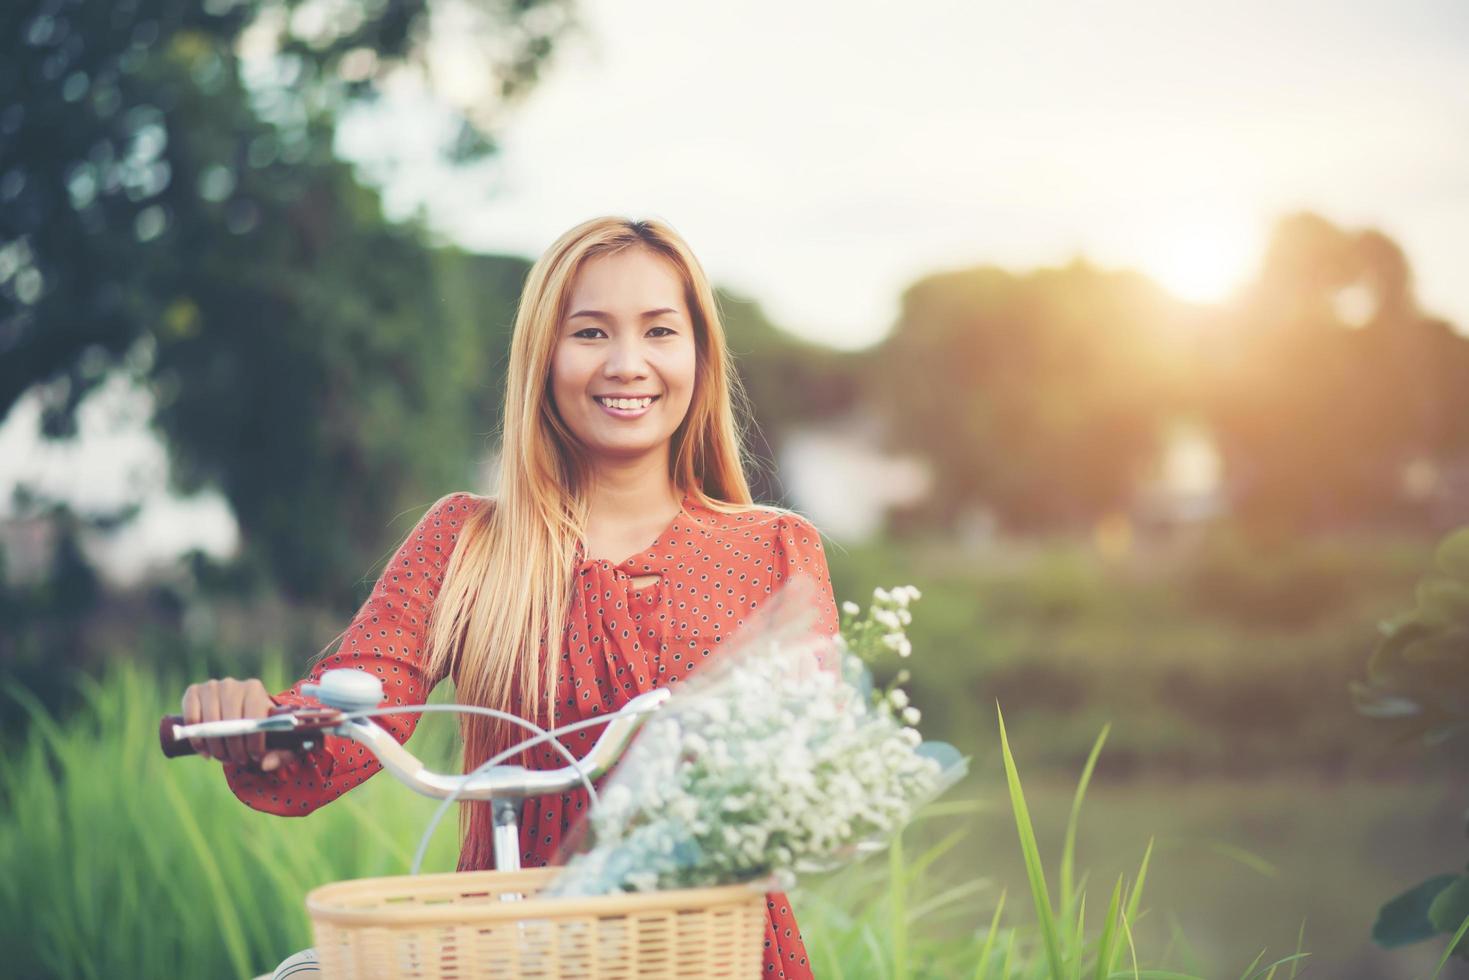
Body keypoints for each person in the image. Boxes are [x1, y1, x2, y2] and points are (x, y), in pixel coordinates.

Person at [182, 216, 840, 979]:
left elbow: (808, 765)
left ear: (698, 353)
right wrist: (266, 727)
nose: (628, 364)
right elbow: (369, 696)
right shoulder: (466, 544)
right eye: (590, 333)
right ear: (543, 357)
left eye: (659, 331)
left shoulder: (772, 548)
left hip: (709, 947)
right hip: (515, 940)